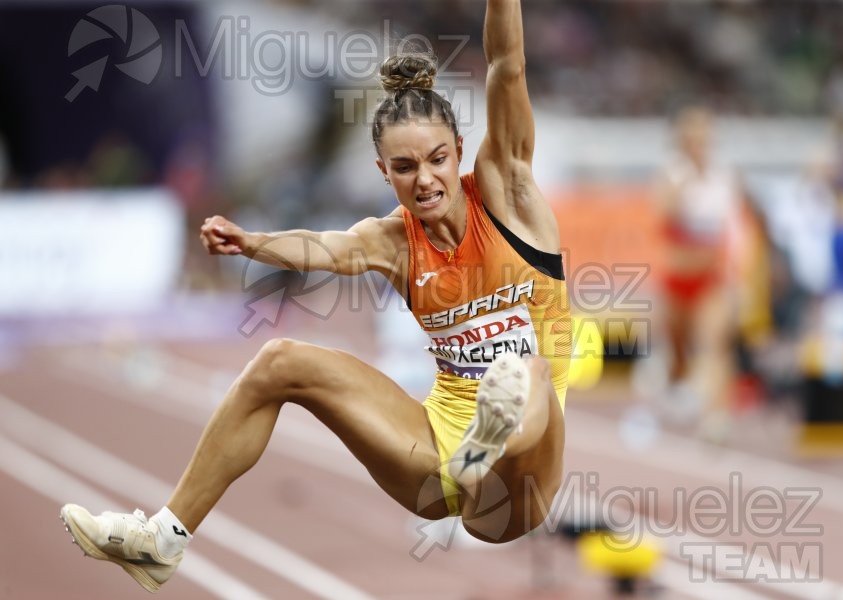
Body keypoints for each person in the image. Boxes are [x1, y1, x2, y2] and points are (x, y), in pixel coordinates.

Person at [59, 0, 572, 593]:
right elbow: (324, 248)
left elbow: (506, 64)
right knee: (280, 361)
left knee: (525, 369)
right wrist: (251, 243)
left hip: (522, 477)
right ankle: (163, 541)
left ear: (460, 149)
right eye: (405, 168)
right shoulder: (390, 242)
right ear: (384, 172)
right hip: (435, 455)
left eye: (437, 160)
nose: (425, 179)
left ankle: (494, 433)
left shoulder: (508, 195)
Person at [647, 105, 747, 438]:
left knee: (714, 344)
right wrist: (687, 183)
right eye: (692, 137)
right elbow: (664, 220)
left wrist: (739, 273)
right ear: (682, 141)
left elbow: (734, 229)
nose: (699, 143)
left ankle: (716, 419)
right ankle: (675, 383)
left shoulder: (724, 177)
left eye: (704, 137)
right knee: (677, 353)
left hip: (712, 280)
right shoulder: (672, 174)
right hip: (677, 280)